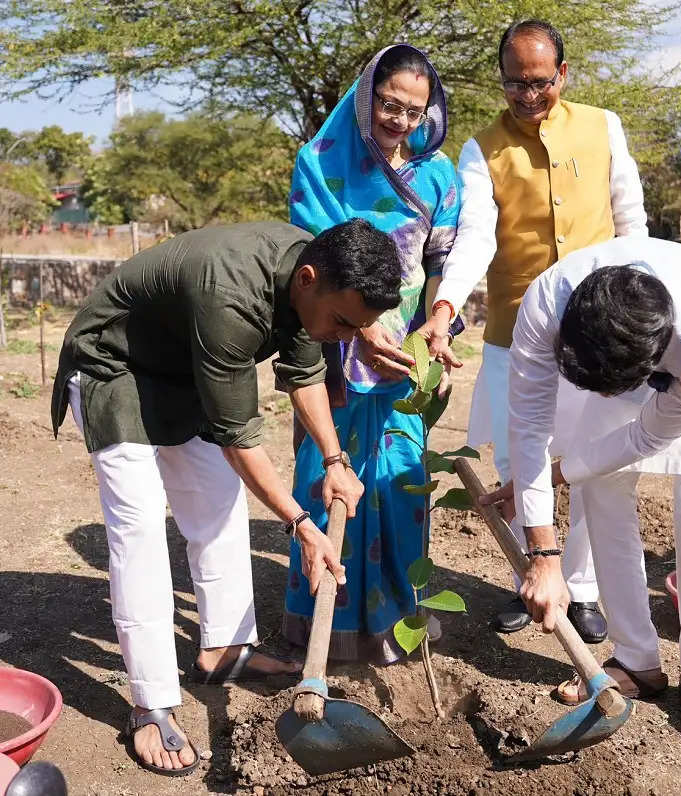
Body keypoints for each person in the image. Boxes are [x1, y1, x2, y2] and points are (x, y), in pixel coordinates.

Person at [50, 218, 403, 775]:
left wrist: (335, 463)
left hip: (183, 370)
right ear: (308, 280)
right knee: (139, 530)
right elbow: (240, 436)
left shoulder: (311, 278)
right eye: (343, 322)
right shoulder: (231, 297)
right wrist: (301, 523)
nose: (345, 336)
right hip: (115, 366)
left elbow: (306, 370)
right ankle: (152, 703)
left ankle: (223, 651)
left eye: (355, 327)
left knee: (217, 505)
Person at [483, 236, 681, 745]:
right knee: (601, 491)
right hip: (620, 346)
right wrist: (544, 552)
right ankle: (637, 659)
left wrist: (557, 473)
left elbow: (644, 435)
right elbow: (528, 423)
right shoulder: (548, 303)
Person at [418, 18, 648, 641]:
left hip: (602, 332)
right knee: (525, 460)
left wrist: (643, 308)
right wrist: (445, 306)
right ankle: (531, 576)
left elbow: (631, 221)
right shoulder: (481, 147)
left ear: (562, 76)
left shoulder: (602, 127)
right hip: (518, 333)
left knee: (595, 459)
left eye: (539, 82)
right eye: (515, 83)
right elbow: (474, 239)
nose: (526, 95)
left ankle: (587, 589)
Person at [283, 44, 461, 664]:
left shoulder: (438, 176)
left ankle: (394, 619)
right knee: (326, 480)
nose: (400, 121)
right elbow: (310, 261)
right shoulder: (319, 164)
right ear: (367, 96)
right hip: (336, 347)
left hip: (407, 352)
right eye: (390, 104)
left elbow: (443, 263)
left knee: (400, 481)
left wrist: (434, 329)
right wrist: (362, 328)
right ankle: (324, 629)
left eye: (415, 111)